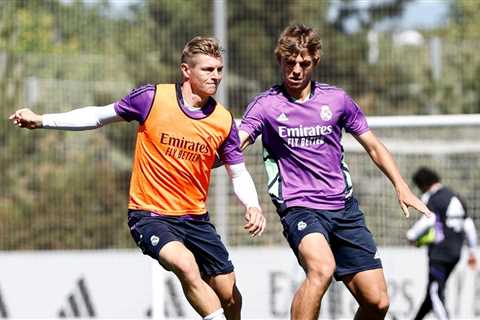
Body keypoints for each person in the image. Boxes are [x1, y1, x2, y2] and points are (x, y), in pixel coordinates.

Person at [9, 36, 266, 320]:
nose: (216, 76)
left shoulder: (223, 120)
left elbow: (238, 171)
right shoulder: (152, 98)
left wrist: (252, 205)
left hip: (195, 218)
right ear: (185, 70)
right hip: (150, 215)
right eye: (207, 69)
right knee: (186, 265)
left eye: (219, 69)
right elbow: (97, 116)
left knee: (230, 296)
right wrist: (43, 119)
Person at [238, 24, 431, 320]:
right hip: (299, 207)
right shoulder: (266, 106)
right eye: (290, 63)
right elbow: (236, 145)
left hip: (343, 208)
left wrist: (401, 185)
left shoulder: (337, 101)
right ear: (280, 60)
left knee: (377, 302)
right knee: (322, 269)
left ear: (315, 61)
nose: (296, 70)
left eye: (304, 63)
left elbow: (374, 146)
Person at [407, 167, 477, 320]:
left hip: (440, 254)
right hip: (456, 253)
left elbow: (429, 219)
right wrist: (472, 252)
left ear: (423, 184)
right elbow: (469, 226)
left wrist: (411, 235)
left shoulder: (433, 198)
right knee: (432, 292)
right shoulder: (455, 196)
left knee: (434, 293)